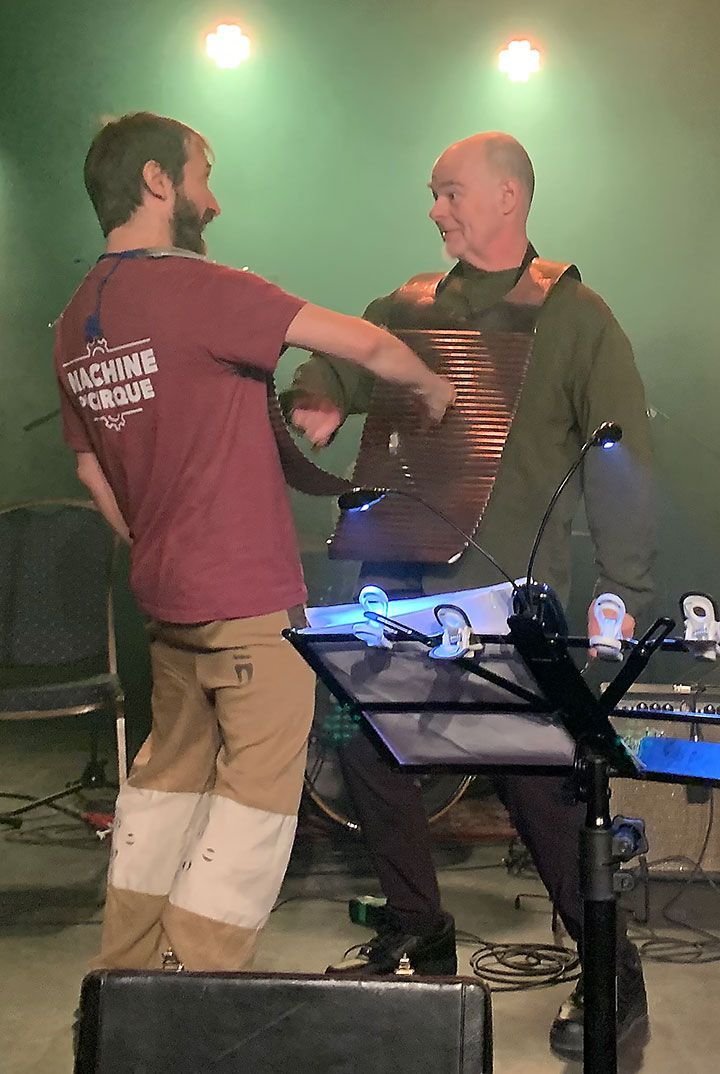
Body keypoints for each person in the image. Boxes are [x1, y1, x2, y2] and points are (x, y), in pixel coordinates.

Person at [52, 111, 454, 974]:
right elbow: (366, 342)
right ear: (158, 182)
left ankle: (120, 977)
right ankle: (189, 986)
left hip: (166, 608)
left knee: (161, 792)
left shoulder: (75, 317)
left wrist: (162, 540)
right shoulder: (201, 287)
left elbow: (94, 481)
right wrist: (429, 387)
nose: (215, 200)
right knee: (255, 805)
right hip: (244, 602)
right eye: (202, 175)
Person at [284, 131, 654, 1061]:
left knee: (536, 785)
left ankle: (612, 966)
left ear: (506, 199)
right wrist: (317, 392)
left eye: (450, 193)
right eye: (432, 193)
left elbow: (622, 461)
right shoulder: (404, 307)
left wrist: (622, 592)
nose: (436, 209)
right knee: (369, 752)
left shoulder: (575, 316)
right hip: (395, 578)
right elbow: (338, 358)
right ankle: (418, 931)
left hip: (502, 597)